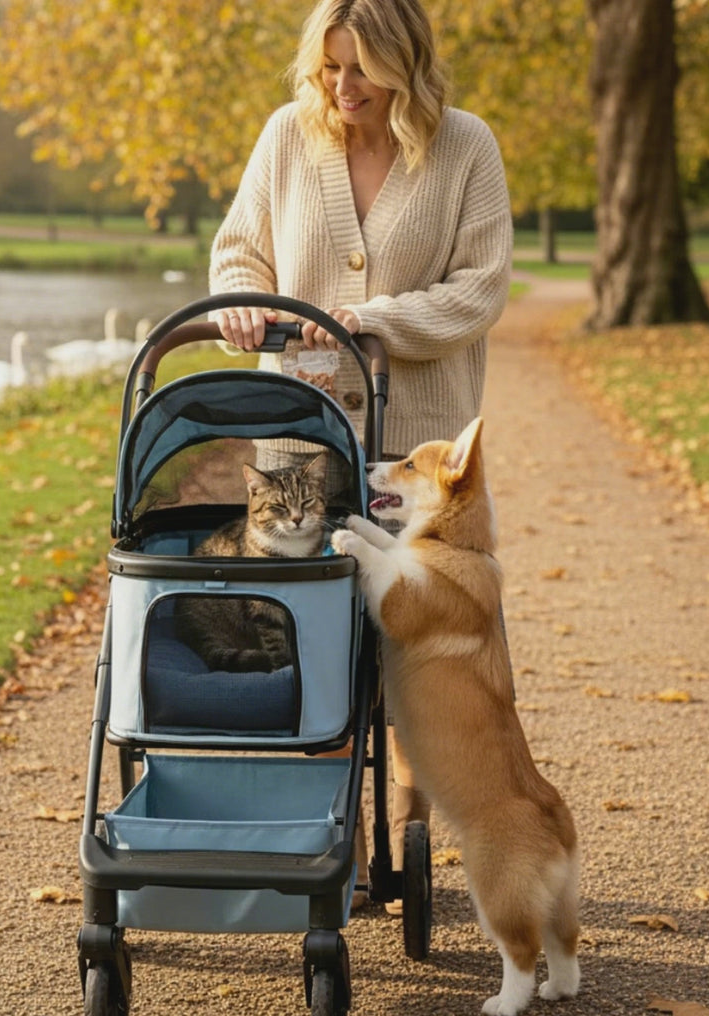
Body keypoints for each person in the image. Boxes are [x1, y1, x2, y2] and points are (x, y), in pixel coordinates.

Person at [208, 0, 513, 905]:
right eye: (330, 67)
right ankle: (323, 831)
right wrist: (236, 302)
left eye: (364, 71)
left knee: (423, 633)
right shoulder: (287, 136)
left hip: (420, 451)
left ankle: (414, 835)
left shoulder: (467, 148)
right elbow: (239, 252)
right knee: (307, 626)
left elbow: (482, 289)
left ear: (408, 67)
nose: (344, 89)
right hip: (303, 439)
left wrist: (371, 319)